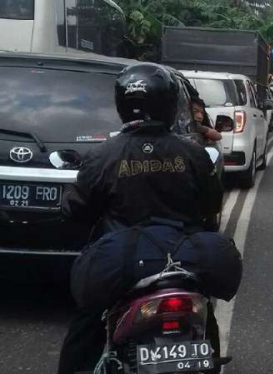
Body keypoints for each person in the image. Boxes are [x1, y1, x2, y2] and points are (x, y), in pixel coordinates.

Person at [57, 63, 224, 374]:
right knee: (205, 314)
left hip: (123, 264)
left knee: (85, 322)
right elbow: (212, 203)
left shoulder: (103, 155)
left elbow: (77, 210)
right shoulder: (192, 153)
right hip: (183, 260)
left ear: (122, 105)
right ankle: (210, 360)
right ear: (170, 104)